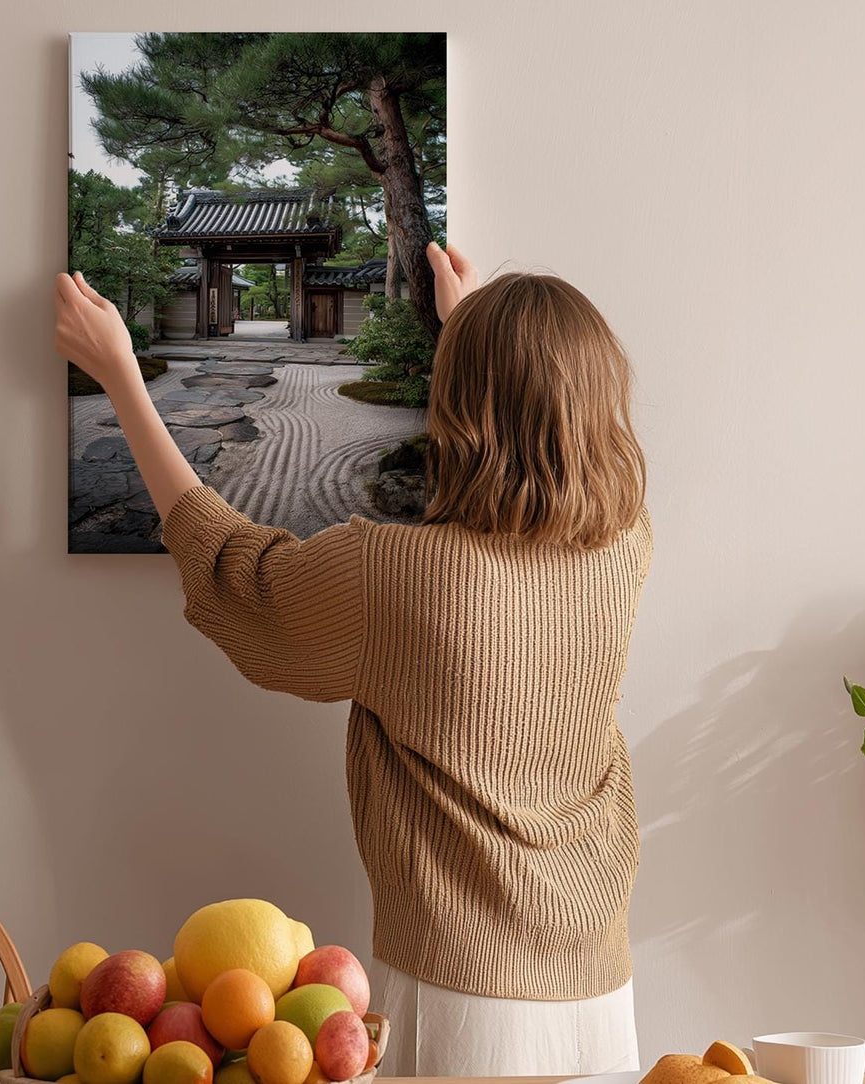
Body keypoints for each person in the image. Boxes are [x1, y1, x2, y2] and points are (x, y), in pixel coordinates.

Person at [54, 242, 652, 1076]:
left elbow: (236, 570)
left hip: (462, 992)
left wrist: (121, 375)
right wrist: (469, 328)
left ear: (459, 401)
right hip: (599, 979)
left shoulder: (394, 574)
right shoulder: (623, 547)